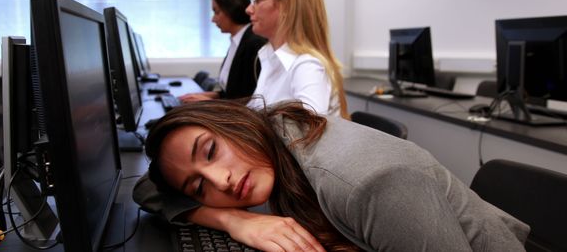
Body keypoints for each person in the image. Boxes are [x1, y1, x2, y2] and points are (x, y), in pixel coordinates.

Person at [133, 99, 529, 252]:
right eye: (199, 187)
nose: (220, 181)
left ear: (234, 121)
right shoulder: (278, 131)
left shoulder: (369, 182)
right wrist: (231, 219)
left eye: (211, 151)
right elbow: (146, 189)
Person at [245, 0, 348, 118]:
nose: (249, 9)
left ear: (287, 5)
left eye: (257, 0)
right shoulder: (272, 58)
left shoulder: (307, 67)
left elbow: (306, 138)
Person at [179, 0, 267, 103]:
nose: (213, 19)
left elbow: (250, 99)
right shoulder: (238, 40)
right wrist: (208, 95)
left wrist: (208, 102)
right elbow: (232, 92)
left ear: (232, 10)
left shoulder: (253, 43)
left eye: (217, 12)